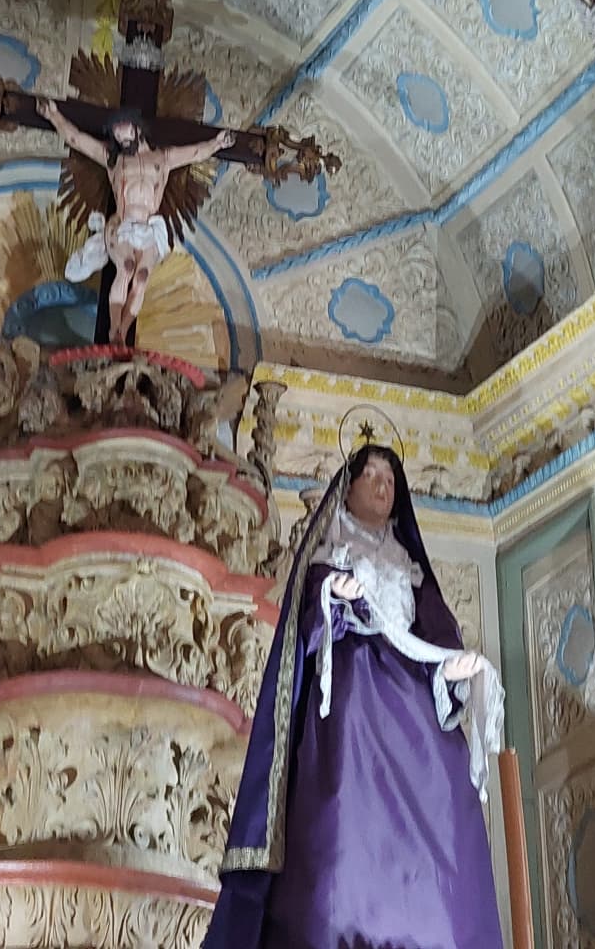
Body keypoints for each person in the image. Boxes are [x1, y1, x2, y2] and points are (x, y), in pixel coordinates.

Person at [204, 444, 505, 949]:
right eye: (372, 476)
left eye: (390, 480)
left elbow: (434, 633)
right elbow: (306, 632)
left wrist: (453, 666)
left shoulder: (407, 563)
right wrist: (331, 597)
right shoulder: (331, 552)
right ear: (348, 486)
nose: (383, 487)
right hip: (354, 685)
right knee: (344, 779)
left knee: (447, 772)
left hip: (411, 690)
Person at [37, 102, 232, 343]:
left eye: (123, 129)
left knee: (141, 277)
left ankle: (123, 331)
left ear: (138, 128)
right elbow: (76, 139)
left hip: (149, 228)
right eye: (116, 133)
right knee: (127, 267)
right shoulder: (113, 161)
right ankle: (113, 330)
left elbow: (195, 153)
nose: (119, 136)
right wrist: (53, 115)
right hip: (123, 225)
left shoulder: (163, 158)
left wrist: (217, 143)